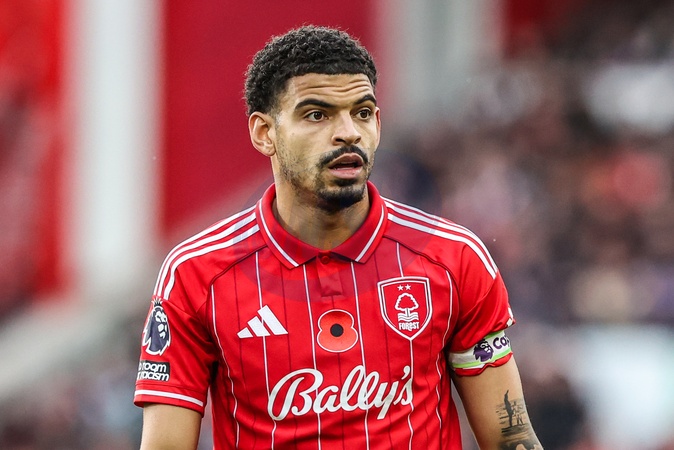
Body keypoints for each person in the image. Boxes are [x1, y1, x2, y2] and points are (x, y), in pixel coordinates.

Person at [134, 25, 543, 450]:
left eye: (362, 112)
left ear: (378, 124)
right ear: (264, 133)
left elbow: (511, 437)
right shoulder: (196, 274)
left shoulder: (455, 257)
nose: (348, 132)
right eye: (318, 114)